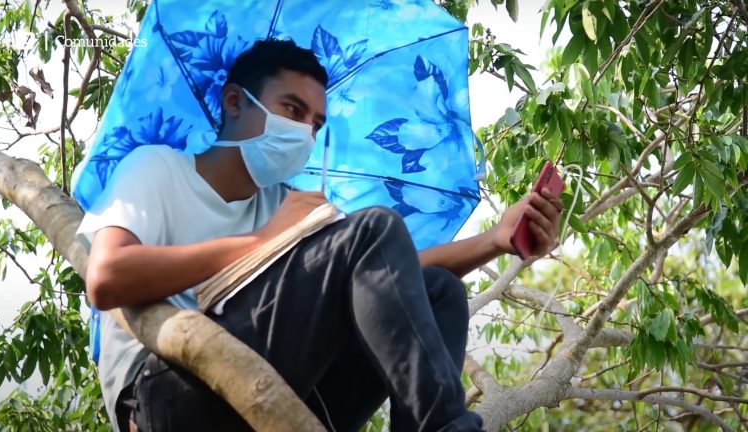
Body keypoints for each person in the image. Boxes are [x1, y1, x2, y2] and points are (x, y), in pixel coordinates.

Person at [77, 39, 563, 432]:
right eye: (291, 109)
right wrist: (261, 241)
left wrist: (496, 240)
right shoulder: (159, 169)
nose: (305, 133)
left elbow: (390, 277)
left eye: (315, 123)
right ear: (233, 101)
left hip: (269, 389)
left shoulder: (283, 203)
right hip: (166, 396)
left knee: (438, 293)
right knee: (370, 228)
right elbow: (106, 278)